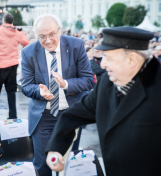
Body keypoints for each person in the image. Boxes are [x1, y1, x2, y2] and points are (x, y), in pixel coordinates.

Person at [46, 26, 161, 176]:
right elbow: (74, 114)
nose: (102, 64)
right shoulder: (107, 82)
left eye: (109, 58)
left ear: (132, 59)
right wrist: (56, 146)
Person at [21, 14, 94, 176]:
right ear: (36, 35)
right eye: (42, 36)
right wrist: (39, 91)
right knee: (43, 165)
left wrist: (66, 84)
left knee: (68, 164)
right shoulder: (28, 53)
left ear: (60, 31)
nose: (47, 40)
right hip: (44, 116)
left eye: (52, 34)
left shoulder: (76, 45)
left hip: (71, 114)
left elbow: (89, 80)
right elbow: (26, 86)